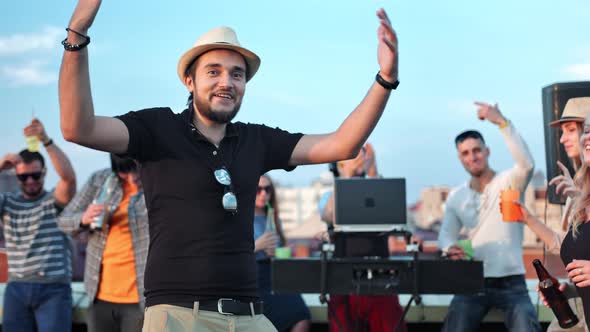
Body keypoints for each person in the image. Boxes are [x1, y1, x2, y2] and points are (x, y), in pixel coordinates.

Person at [59, 1, 399, 330]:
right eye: (214, 72)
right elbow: (78, 127)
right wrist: (77, 35)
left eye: (237, 75)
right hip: (179, 316)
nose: (227, 82)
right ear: (189, 82)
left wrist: (384, 79)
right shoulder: (158, 129)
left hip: (249, 315)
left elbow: (343, 144)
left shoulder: (256, 140)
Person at [437, 102, 540, 332]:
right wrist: (450, 248)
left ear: (487, 152)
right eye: (465, 153)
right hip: (472, 281)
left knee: (526, 323)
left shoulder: (508, 181)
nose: (472, 157)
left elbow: (527, 164)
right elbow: (445, 235)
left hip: (512, 282)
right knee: (455, 325)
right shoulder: (457, 196)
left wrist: (502, 123)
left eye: (476, 150)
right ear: (460, 159)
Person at [517, 97, 590, 332]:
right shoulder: (581, 192)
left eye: (571, 130)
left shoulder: (576, 187)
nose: (563, 138)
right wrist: (566, 290)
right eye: (586, 130)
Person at [318, 143, 407, 332]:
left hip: (381, 278)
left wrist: (373, 169)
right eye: (350, 157)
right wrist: (346, 176)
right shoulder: (328, 195)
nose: (356, 160)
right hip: (343, 279)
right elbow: (329, 215)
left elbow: (390, 211)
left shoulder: (380, 190)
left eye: (358, 156)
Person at [0, 119, 77, 332]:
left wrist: (46, 140)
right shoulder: (7, 202)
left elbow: (68, 178)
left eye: (35, 175)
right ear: (16, 177)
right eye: (23, 177)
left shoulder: (54, 200)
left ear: (44, 173)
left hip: (54, 287)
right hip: (16, 287)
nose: (30, 181)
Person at [58, 154, 148, 332]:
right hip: (98, 296)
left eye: (135, 170)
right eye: (124, 173)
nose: (132, 178)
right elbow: (63, 221)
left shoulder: (157, 184)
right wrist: (83, 219)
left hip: (141, 297)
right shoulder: (99, 180)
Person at [254, 174, 311, 332]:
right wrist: (258, 245)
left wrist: (280, 251)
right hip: (254, 279)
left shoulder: (272, 217)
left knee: (302, 315)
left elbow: (280, 247)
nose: (263, 194)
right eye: (258, 189)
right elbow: (231, 254)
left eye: (267, 189)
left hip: (276, 275)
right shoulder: (241, 218)